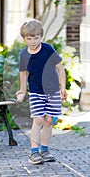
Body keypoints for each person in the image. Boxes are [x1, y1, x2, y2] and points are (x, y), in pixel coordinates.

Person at [16, 18, 67, 165]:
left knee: (49, 121)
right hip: (36, 92)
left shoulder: (48, 49)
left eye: (36, 38)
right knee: (38, 119)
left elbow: (60, 68)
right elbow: (24, 73)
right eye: (29, 38)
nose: (32, 41)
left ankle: (45, 150)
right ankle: (34, 152)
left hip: (53, 91)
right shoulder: (24, 55)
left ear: (41, 36)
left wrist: (63, 87)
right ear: (24, 38)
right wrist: (22, 90)